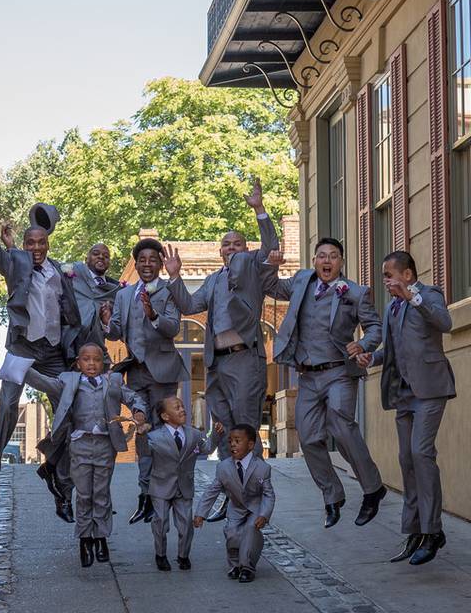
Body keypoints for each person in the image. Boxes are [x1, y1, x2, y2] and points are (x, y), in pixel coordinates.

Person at [162, 178, 279, 521]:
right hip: (218, 365)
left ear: (245, 249)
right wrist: (174, 277)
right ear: (220, 252)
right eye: (226, 245)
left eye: (237, 243)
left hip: (245, 360)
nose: (230, 248)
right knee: (227, 430)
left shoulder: (255, 270)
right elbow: (187, 304)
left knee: (245, 428)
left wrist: (259, 209)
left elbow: (270, 244)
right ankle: (232, 493)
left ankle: (253, 497)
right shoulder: (213, 280)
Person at [0, 167, 81, 521]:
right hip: (23, 349)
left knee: (70, 413)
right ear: (23, 246)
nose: (36, 248)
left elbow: (72, 315)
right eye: (30, 243)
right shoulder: (15, 263)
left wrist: (78, 352)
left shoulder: (59, 273)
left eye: (41, 243)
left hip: (52, 354)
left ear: (48, 244)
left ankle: (57, 477)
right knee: (6, 407)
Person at [263, 239, 385, 529]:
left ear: (341, 262)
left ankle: (372, 489)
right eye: (321, 256)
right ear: (314, 260)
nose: (326, 261)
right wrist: (272, 265)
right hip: (307, 375)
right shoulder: (301, 281)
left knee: (342, 427)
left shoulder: (355, 292)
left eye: (333, 256)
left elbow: (375, 328)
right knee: (307, 437)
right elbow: (270, 287)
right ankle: (332, 496)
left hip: (340, 371)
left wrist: (364, 343)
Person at [357, 251, 455, 565]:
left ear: (408, 275)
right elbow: (391, 349)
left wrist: (414, 297)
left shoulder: (429, 295)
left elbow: (445, 322)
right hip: (404, 394)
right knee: (406, 460)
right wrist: (370, 357)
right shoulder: (391, 308)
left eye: (389, 275)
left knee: (421, 453)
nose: (385, 281)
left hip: (430, 388)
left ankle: (433, 531)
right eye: (384, 275)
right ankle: (415, 529)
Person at [23, 343, 147, 567]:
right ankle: (84, 539)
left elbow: (133, 398)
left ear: (104, 362)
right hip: (80, 444)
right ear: (78, 363)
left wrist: (139, 412)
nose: (92, 364)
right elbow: (44, 383)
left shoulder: (113, 382)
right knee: (84, 494)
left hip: (105, 445)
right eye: (86, 359)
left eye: (97, 359)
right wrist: (21, 366)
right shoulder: (68, 381)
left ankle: (100, 538)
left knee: (101, 492)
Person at [102, 237, 188, 524]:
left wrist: (152, 315)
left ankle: (166, 491)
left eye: (153, 259)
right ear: (136, 264)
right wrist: (106, 322)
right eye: (142, 260)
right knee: (143, 434)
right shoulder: (124, 295)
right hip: (136, 373)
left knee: (163, 435)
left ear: (161, 264)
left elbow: (173, 327)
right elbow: (115, 332)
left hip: (163, 373)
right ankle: (145, 497)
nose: (147, 264)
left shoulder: (168, 291)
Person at [145, 396, 222, 571]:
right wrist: (141, 434)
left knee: (186, 524)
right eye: (176, 407)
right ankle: (161, 555)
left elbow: (207, 448)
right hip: (161, 487)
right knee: (160, 522)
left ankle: (183, 556)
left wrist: (216, 434)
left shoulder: (193, 434)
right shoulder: (154, 436)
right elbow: (143, 452)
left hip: (184, 486)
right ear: (165, 416)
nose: (182, 409)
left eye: (182, 406)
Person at [194, 424, 275, 583]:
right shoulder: (223, 467)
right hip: (236, 508)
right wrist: (200, 513)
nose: (232, 444)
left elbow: (268, 494)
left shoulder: (262, 468)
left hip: (255, 508)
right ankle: (235, 566)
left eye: (238, 441)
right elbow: (212, 491)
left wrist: (264, 514)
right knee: (232, 535)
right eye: (230, 441)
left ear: (250, 445)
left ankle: (247, 568)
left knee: (250, 533)